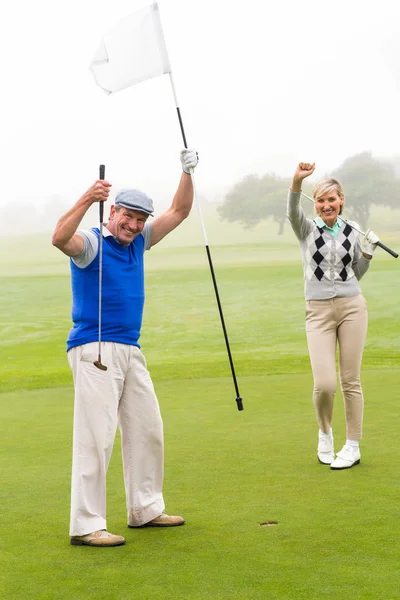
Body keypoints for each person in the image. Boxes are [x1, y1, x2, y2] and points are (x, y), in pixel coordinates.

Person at [52, 148, 199, 546]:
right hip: (93, 348)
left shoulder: (138, 242)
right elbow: (59, 238)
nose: (132, 225)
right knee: (95, 438)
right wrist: (87, 198)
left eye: (139, 219)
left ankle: (145, 509)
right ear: (113, 210)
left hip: (130, 349)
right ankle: (86, 525)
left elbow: (180, 211)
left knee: (148, 428)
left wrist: (186, 173)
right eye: (127, 216)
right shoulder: (93, 243)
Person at [287, 162, 379, 470]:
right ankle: (325, 433)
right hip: (318, 312)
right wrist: (297, 181)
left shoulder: (352, 230)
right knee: (325, 383)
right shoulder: (307, 229)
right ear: (315, 204)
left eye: (332, 199)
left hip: (352, 306)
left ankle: (352, 445)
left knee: (350, 380)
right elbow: (292, 212)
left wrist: (367, 253)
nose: (327, 205)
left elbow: (356, 274)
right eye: (321, 200)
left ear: (341, 201)